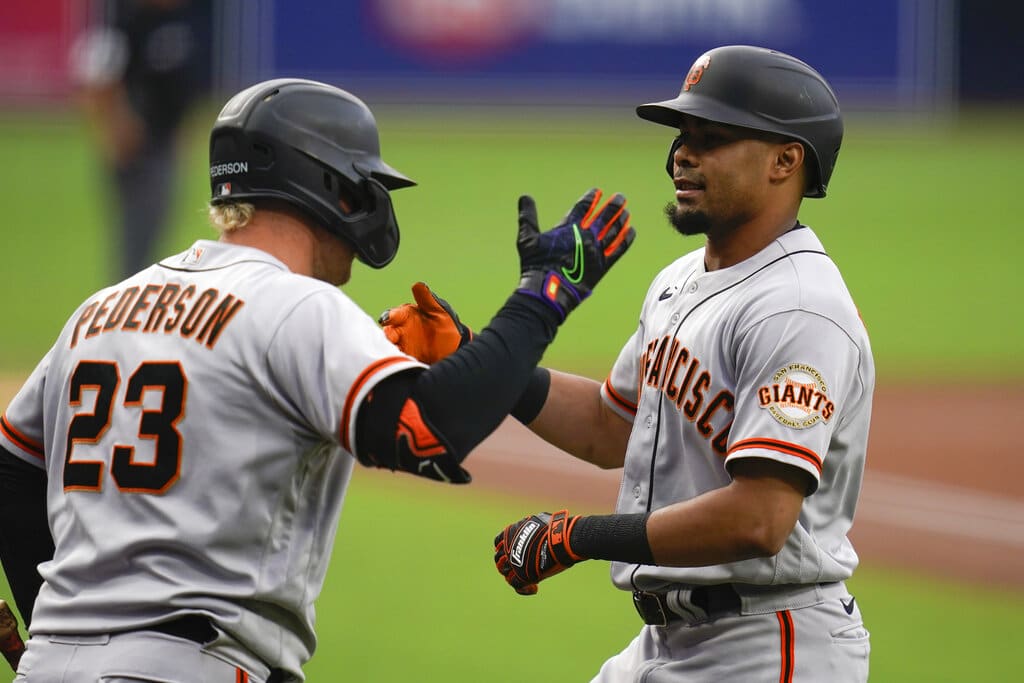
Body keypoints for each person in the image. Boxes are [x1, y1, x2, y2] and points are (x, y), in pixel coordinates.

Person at [0, 78, 634, 682]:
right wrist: (542, 297)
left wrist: (63, 631)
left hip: (51, 662)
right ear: (331, 188)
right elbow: (428, 429)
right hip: (191, 665)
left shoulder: (101, 309)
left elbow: (13, 469)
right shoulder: (293, 307)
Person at [381, 45, 874, 682]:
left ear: (787, 160)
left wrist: (578, 535)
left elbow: (758, 519)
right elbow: (608, 426)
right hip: (670, 644)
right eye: (681, 136)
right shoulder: (681, 280)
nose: (681, 155)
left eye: (711, 137)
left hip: (767, 645)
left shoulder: (797, 308)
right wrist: (477, 354)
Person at [70, 0, 212, 279]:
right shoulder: (127, 24)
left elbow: (189, 89)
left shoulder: (190, 21)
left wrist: (185, 135)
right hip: (137, 152)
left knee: (155, 234)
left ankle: (133, 303)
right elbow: (95, 80)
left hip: (165, 146)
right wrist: (114, 128)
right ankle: (123, 308)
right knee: (136, 242)